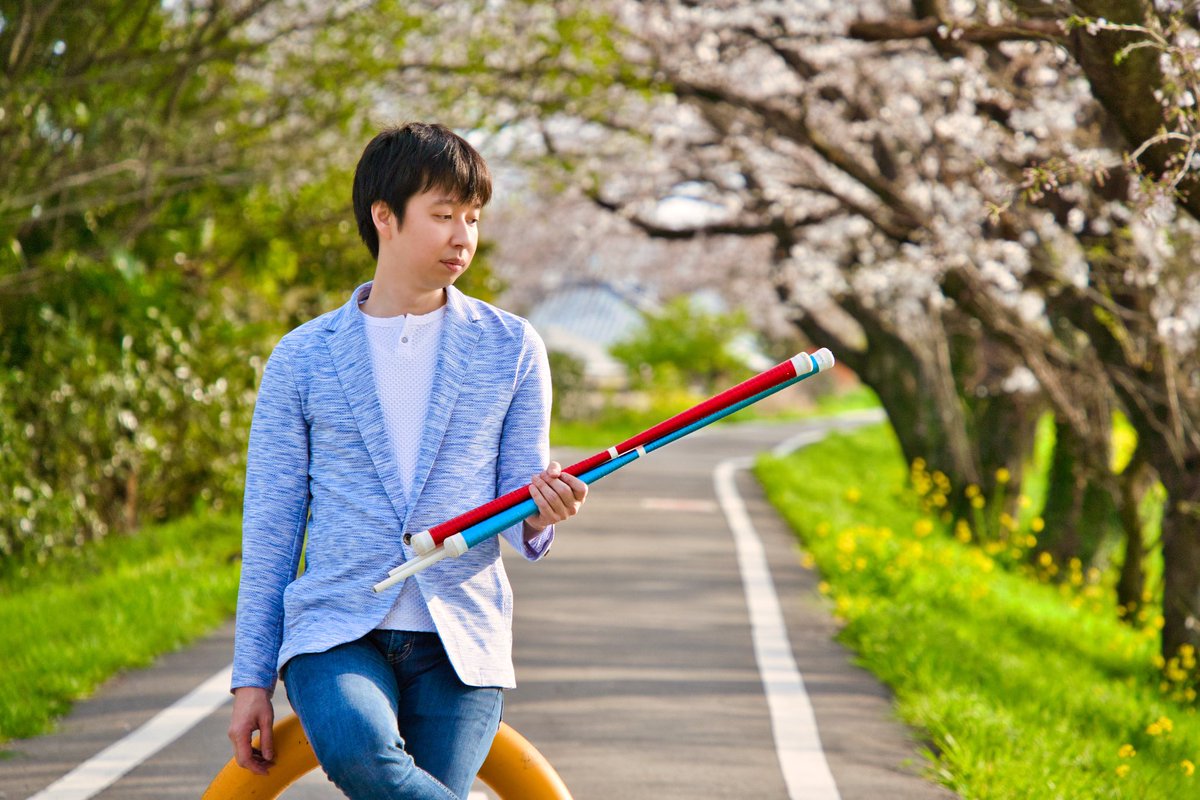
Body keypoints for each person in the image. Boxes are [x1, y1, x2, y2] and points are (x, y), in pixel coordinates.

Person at [227, 122, 588, 799]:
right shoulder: (302, 357)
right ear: (384, 216)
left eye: (473, 218)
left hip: (462, 636)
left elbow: (518, 505)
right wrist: (250, 680)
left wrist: (542, 516)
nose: (464, 236)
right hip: (334, 630)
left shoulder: (512, 346)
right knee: (363, 752)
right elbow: (271, 529)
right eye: (444, 215)